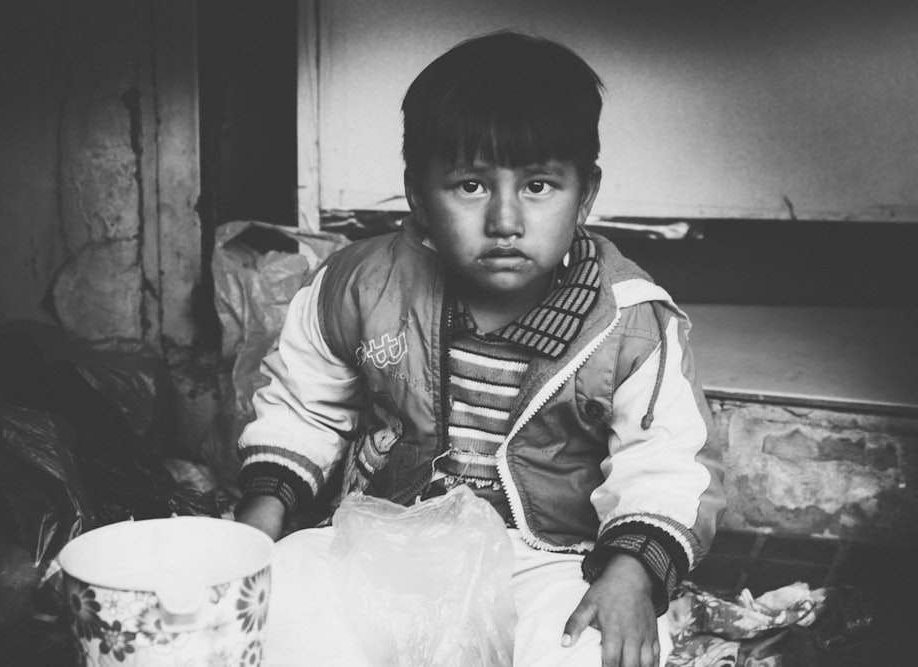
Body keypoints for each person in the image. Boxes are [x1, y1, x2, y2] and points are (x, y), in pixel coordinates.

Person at [235, 31, 725, 667]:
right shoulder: (359, 286)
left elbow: (666, 461)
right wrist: (258, 527)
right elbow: (303, 407)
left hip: (545, 561)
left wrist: (632, 571)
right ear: (417, 193)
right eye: (470, 185)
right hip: (390, 537)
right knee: (281, 590)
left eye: (539, 185)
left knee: (602, 645)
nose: (504, 220)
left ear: (587, 193)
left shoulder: (627, 322)